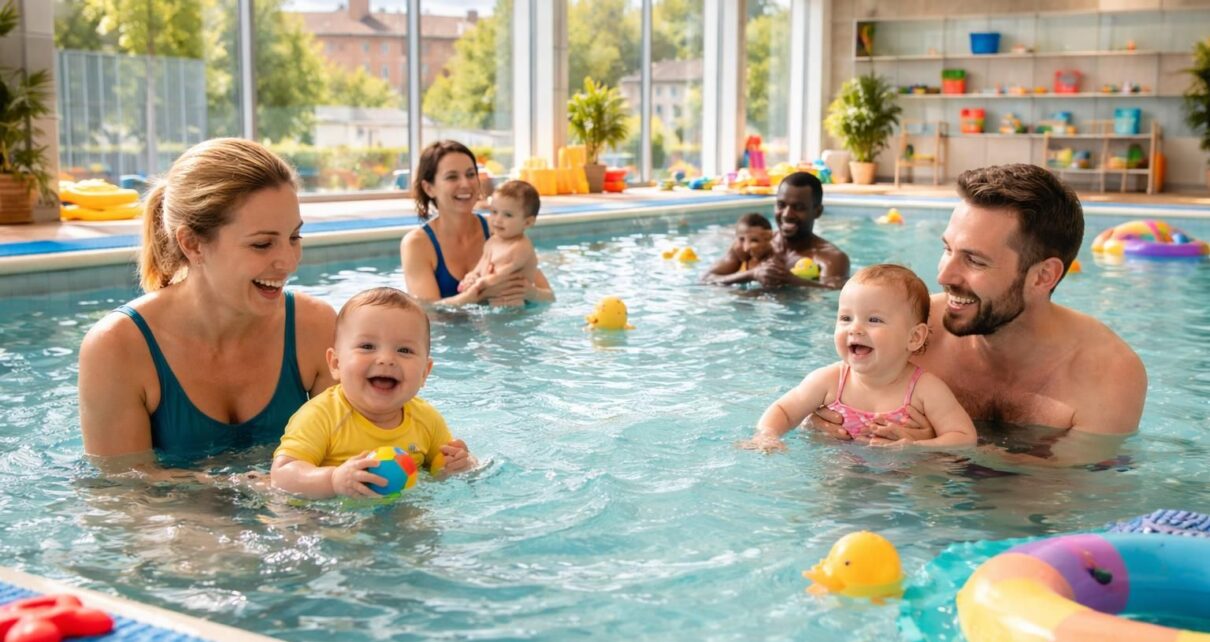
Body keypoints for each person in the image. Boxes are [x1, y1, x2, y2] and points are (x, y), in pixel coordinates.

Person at [805, 164, 1147, 462]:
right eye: (948, 249)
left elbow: (1067, 489)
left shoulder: (1108, 374)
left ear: (1043, 276)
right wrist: (821, 424)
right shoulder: (908, 328)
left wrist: (937, 448)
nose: (944, 276)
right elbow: (831, 402)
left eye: (974, 260)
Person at [78, 138, 337, 469]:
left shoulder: (314, 328)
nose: (289, 262)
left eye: (294, 237)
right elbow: (122, 489)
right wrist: (252, 489)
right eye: (262, 244)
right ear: (193, 244)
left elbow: (347, 455)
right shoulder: (118, 347)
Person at [743, 264, 977, 451]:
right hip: (841, 475)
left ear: (914, 337)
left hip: (903, 481)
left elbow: (963, 437)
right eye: (846, 318)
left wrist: (916, 447)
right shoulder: (830, 380)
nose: (854, 328)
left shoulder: (925, 389)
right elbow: (784, 410)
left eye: (874, 320)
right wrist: (767, 435)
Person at [270, 288, 475, 499]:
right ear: (336, 364)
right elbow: (281, 474)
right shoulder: (320, 416)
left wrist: (460, 464)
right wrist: (333, 480)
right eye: (367, 346)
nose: (386, 359)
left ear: (424, 372)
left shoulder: (427, 420)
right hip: (326, 514)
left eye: (404, 350)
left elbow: (442, 469)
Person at [401, 140, 555, 307]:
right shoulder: (417, 244)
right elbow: (426, 311)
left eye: (470, 174)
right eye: (452, 177)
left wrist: (529, 292)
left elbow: (548, 296)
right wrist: (473, 296)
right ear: (429, 188)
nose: (466, 184)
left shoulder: (499, 228)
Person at [751, 172, 850, 290]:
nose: (787, 214)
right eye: (781, 205)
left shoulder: (831, 259)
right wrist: (753, 273)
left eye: (798, 207)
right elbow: (728, 279)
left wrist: (789, 280)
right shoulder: (754, 243)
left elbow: (832, 294)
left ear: (817, 212)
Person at [457, 180, 545, 307]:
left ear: (527, 222)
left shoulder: (521, 247)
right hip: (489, 301)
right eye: (494, 212)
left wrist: (480, 284)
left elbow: (503, 276)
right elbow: (481, 265)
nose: (497, 220)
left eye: (508, 215)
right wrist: (472, 276)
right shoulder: (492, 241)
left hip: (513, 308)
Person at [702, 213, 775, 285]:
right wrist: (751, 274)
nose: (746, 248)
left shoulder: (777, 255)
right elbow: (706, 278)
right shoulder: (738, 250)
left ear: (770, 239)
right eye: (741, 239)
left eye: (754, 240)